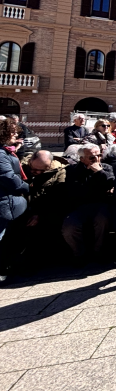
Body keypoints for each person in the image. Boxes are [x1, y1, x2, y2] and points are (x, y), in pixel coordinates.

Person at [61, 145, 116, 262]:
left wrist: (99, 172)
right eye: (92, 157)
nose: (96, 159)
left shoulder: (106, 168)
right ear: (82, 159)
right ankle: (79, 254)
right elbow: (75, 190)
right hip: (79, 206)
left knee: (103, 221)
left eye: (99, 155)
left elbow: (110, 183)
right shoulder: (72, 170)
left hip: (100, 204)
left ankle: (98, 251)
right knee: (69, 227)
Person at [0, 118, 29, 280]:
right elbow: (8, 177)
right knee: (2, 237)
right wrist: (26, 187)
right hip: (5, 201)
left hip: (8, 201)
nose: (16, 134)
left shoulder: (5, 151)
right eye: (12, 131)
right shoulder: (0, 153)